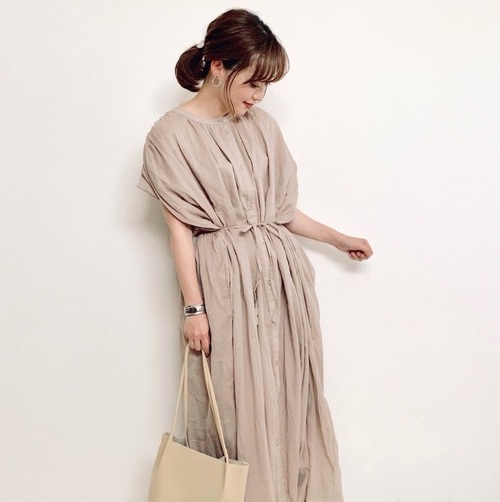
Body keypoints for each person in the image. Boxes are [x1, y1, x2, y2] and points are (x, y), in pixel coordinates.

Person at [138, 8, 373, 502]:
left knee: (289, 397)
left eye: (266, 86)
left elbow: (280, 213)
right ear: (217, 65)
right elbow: (179, 231)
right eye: (252, 83)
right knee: (234, 403)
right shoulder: (169, 135)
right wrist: (195, 309)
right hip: (224, 287)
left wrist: (338, 238)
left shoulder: (262, 126)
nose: (258, 96)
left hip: (283, 285)